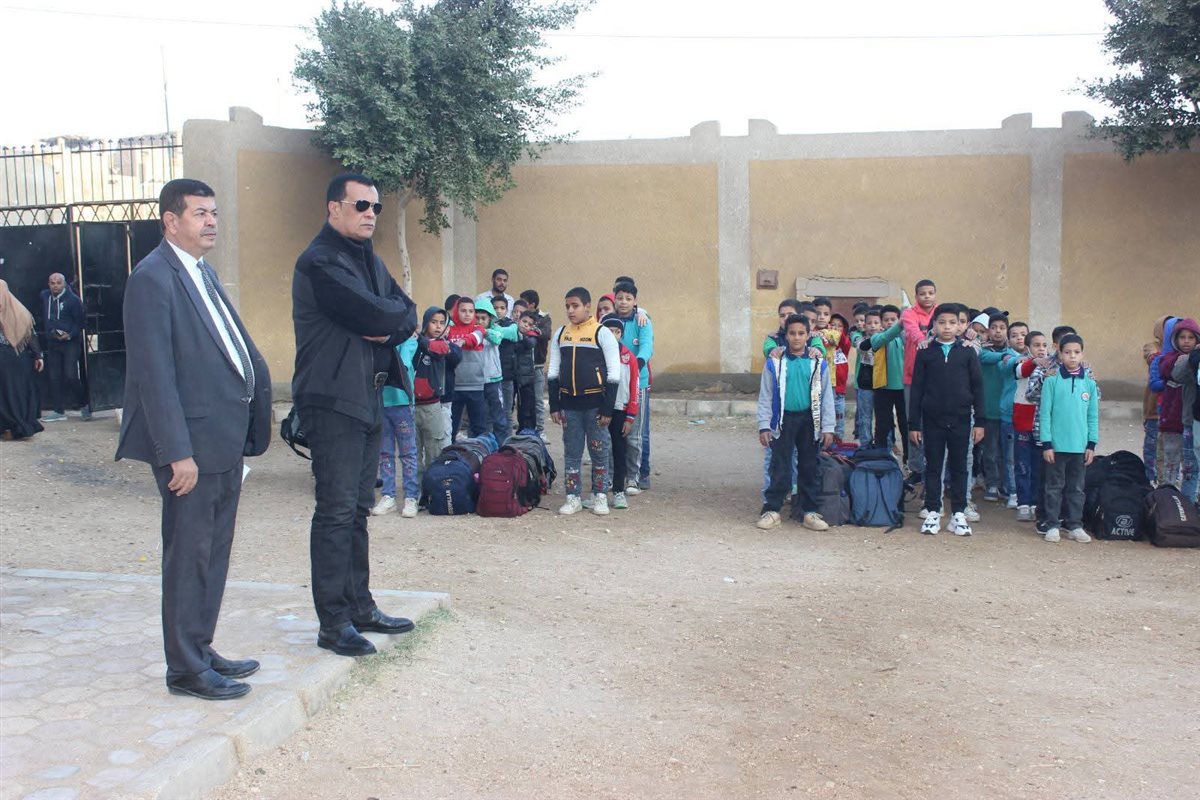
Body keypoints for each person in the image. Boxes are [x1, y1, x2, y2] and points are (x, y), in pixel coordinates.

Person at [116, 178, 272, 699]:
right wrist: (176, 452)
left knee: (213, 553)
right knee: (188, 557)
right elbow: (154, 375)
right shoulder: (151, 278)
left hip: (222, 440)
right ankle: (184, 668)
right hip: (190, 448)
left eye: (214, 213)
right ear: (171, 220)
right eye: (200, 213)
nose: (211, 222)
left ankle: (200, 648)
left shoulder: (201, 271)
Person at [292, 173, 418, 658]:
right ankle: (333, 622)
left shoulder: (368, 258)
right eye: (361, 205)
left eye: (375, 207)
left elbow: (406, 312)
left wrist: (387, 325)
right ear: (334, 208)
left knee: (359, 509)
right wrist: (386, 321)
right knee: (336, 510)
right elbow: (379, 315)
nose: (370, 214)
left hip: (369, 396)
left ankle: (359, 606)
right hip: (332, 399)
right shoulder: (320, 261)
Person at [909, 303, 984, 537]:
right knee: (933, 466)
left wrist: (980, 422)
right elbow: (917, 389)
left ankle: (958, 514)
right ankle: (933, 510)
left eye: (953, 322)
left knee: (960, 467)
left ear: (960, 325)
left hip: (961, 418)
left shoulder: (967, 352)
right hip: (932, 419)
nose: (948, 327)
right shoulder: (925, 352)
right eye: (942, 322)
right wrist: (914, 424)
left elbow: (978, 388)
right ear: (934, 325)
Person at [756, 314, 835, 531]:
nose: (797, 337)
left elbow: (827, 395)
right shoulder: (775, 362)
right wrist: (764, 425)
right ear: (786, 336)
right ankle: (772, 509)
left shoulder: (817, 362)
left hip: (810, 419)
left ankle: (809, 511)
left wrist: (828, 427)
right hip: (783, 420)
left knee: (809, 465)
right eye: (792, 333)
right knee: (779, 465)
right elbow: (766, 395)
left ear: (809, 335)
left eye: (801, 333)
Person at [548, 287, 621, 516]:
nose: (571, 310)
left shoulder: (602, 333)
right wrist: (555, 405)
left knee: (599, 450)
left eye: (575, 306)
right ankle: (573, 497)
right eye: (567, 306)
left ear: (588, 306)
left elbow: (614, 373)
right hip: (569, 405)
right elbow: (553, 371)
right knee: (572, 452)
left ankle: (600, 496)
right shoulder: (561, 334)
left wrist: (608, 408)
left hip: (596, 405)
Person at [1039, 334, 1099, 543]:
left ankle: (1075, 525)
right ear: (1060, 354)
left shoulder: (1090, 384)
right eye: (1067, 352)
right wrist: (1047, 443)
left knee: (1076, 488)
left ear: (1082, 354)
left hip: (1080, 447)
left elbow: (1092, 416)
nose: (1072, 356)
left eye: (1076, 352)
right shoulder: (1051, 381)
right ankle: (1052, 524)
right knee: (1054, 487)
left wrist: (1091, 444)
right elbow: (1045, 414)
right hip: (1056, 447)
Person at [373, 333, 420, 519]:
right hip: (381, 402)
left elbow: (402, 365)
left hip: (402, 403)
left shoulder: (409, 341)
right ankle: (388, 495)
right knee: (384, 453)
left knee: (408, 453)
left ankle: (411, 496)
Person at [613, 281, 654, 493]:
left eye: (628, 299)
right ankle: (614, 475)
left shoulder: (642, 321)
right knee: (613, 431)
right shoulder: (607, 321)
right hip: (613, 384)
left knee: (635, 434)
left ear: (635, 301)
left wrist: (636, 366)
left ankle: (633, 478)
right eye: (620, 298)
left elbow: (647, 346)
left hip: (638, 383)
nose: (623, 302)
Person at [412, 307, 459, 479]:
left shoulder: (444, 345)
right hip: (411, 405)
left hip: (433, 406)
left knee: (434, 450)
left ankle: (432, 487)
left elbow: (447, 353)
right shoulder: (414, 343)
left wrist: (419, 338)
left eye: (442, 323)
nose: (438, 326)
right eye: (433, 322)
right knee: (413, 451)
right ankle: (415, 489)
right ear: (425, 324)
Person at [599, 314, 640, 510]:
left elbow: (634, 387)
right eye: (609, 332)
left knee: (619, 451)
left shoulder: (628, 357)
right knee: (598, 450)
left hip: (620, 410)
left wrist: (630, 416)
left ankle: (618, 492)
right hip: (600, 409)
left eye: (617, 332)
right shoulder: (597, 355)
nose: (614, 335)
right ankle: (598, 491)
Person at [37, 271, 87, 422]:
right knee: (54, 376)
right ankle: (58, 410)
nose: (55, 286)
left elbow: (81, 323)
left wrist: (70, 334)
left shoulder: (73, 300)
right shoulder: (45, 296)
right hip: (53, 341)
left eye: (58, 283)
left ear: (64, 284)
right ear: (48, 284)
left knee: (70, 374)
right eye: (52, 283)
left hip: (70, 342)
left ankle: (84, 404)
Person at [901, 279, 937, 481]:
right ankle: (916, 469)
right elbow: (913, 331)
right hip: (912, 377)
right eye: (923, 293)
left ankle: (934, 466)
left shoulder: (941, 313)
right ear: (916, 296)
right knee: (913, 423)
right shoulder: (909, 314)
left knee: (935, 423)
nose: (927, 297)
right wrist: (924, 340)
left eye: (930, 293)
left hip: (937, 378)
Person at [1159, 318, 1199, 501]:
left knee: (1191, 466)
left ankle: (1189, 502)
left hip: (1191, 420)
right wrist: (1190, 359)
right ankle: (1172, 502)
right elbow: (1173, 373)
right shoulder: (1172, 359)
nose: (1187, 341)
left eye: (1191, 337)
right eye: (1182, 337)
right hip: (1175, 421)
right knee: (1174, 464)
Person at [860, 305, 907, 460]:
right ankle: (880, 459)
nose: (890, 322)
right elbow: (886, 337)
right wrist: (900, 324)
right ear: (881, 323)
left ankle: (908, 459)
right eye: (886, 320)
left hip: (904, 388)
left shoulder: (905, 338)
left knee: (905, 425)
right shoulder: (877, 338)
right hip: (883, 388)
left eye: (893, 319)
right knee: (882, 425)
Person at [0, 279, 44, 440]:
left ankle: (17, 426)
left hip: (13, 359)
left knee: (13, 394)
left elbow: (29, 333)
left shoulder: (18, 311)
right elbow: (31, 335)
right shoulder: (19, 310)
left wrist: (38, 355)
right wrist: (38, 355)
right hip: (13, 358)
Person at [1012, 330, 1049, 522]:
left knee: (1038, 465)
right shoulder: (1021, 362)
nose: (1041, 349)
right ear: (1027, 348)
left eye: (1044, 345)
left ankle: (1035, 502)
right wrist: (1034, 361)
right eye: (1036, 345)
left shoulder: (1051, 366)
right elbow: (1021, 372)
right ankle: (1023, 503)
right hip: (1023, 423)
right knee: (1022, 465)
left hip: (1041, 424)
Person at [474, 294, 518, 446]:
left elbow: (497, 338)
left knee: (499, 416)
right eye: (477, 318)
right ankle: (482, 445)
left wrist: (483, 332)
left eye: (483, 318)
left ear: (490, 319)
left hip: (494, 380)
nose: (480, 321)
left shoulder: (495, 330)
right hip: (477, 381)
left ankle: (502, 445)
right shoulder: (471, 333)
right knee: (480, 415)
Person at [447, 296, 488, 441]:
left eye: (471, 311)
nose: (467, 314)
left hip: (475, 386)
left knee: (479, 427)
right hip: (454, 386)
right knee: (451, 427)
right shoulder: (448, 330)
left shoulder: (478, 329)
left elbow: (475, 339)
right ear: (456, 311)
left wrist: (462, 341)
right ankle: (450, 452)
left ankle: (480, 452)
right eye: (463, 311)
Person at [519, 289, 552, 438]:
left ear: (532, 304)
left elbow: (546, 334)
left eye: (524, 302)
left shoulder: (543, 318)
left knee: (538, 400)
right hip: (522, 366)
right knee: (523, 400)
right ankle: (525, 428)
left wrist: (532, 330)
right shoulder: (520, 317)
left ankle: (540, 430)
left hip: (537, 365)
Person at [852, 307, 880, 444]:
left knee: (883, 417)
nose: (872, 326)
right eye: (869, 323)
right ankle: (865, 445)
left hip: (882, 383)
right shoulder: (860, 338)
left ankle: (883, 445)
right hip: (865, 382)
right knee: (864, 417)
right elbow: (861, 347)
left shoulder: (887, 338)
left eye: (876, 323)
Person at [513, 310, 540, 432]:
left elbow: (529, 344)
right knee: (511, 405)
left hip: (526, 377)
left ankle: (527, 430)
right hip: (512, 375)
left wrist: (522, 337)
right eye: (524, 321)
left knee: (527, 406)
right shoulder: (512, 332)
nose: (525, 325)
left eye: (529, 324)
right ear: (519, 320)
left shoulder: (532, 336)